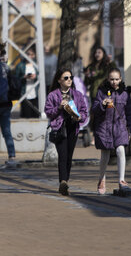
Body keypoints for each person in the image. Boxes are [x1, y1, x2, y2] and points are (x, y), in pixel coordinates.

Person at [45, 68, 90, 196]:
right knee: (63, 156)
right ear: (59, 80)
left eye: (70, 77)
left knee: (69, 156)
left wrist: (80, 117)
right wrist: (59, 107)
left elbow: (83, 111)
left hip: (73, 128)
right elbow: (48, 112)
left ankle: (65, 181)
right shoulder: (53, 95)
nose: (69, 80)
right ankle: (63, 182)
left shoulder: (77, 95)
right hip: (60, 128)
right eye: (66, 78)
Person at [92, 68, 131, 193]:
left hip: (120, 127)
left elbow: (130, 113)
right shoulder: (101, 92)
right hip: (104, 127)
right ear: (107, 79)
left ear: (120, 79)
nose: (114, 82)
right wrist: (102, 104)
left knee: (120, 150)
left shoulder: (125, 93)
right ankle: (102, 178)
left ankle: (121, 179)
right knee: (105, 154)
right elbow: (94, 109)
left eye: (116, 79)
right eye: (112, 79)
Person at [13, 46, 40, 118]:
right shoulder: (20, 65)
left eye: (32, 54)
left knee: (36, 115)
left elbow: (42, 78)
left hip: (35, 93)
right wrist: (24, 77)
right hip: (24, 93)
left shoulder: (37, 65)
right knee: (26, 114)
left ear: (35, 55)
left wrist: (36, 76)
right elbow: (16, 79)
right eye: (28, 54)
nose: (30, 56)